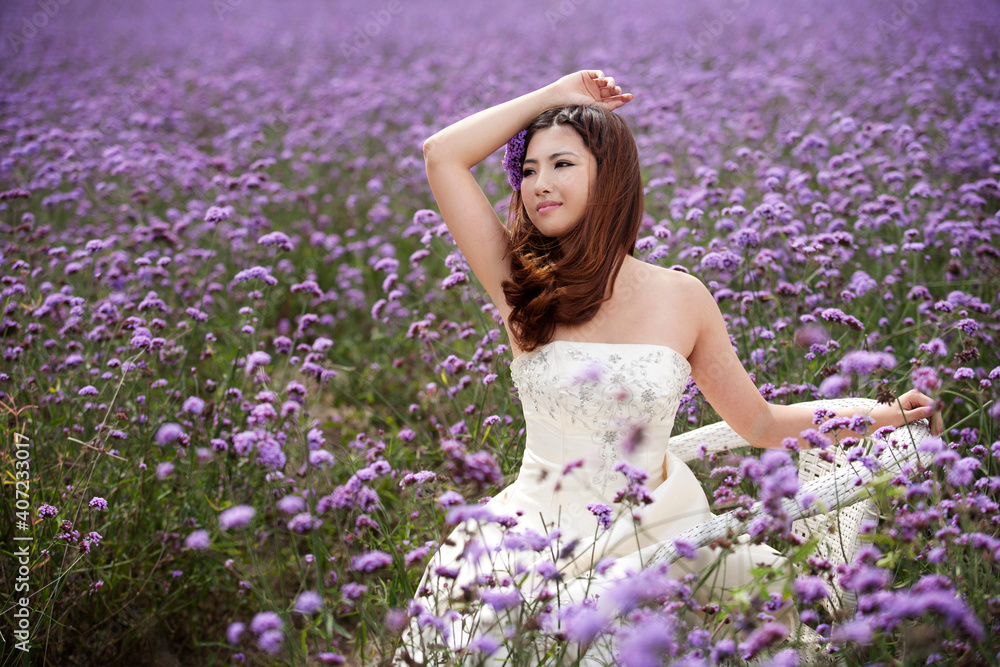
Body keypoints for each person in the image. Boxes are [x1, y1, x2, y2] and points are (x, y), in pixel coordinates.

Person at [398, 69, 944, 665]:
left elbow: (760, 424)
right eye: (528, 170)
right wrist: (554, 95)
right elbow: (442, 155)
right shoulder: (520, 284)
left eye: (561, 165)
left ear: (610, 179)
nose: (538, 185)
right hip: (533, 539)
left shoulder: (682, 298)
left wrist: (883, 418)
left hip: (655, 531)